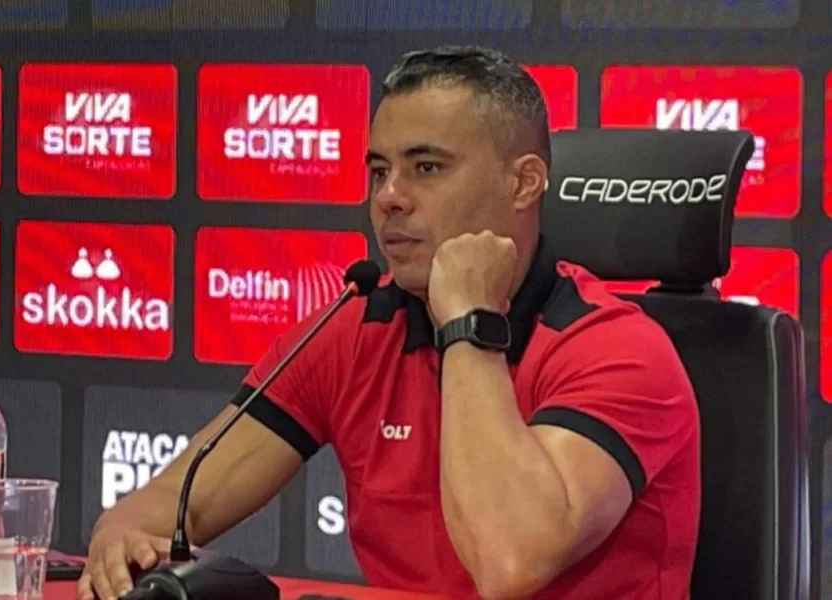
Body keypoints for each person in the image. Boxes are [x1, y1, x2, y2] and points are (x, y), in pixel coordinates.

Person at [78, 45, 700, 600]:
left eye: (426, 168)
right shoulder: (353, 330)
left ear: (524, 183)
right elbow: (171, 504)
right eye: (379, 170)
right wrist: (123, 537)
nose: (388, 197)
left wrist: (469, 322)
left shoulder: (620, 352)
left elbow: (509, 561)